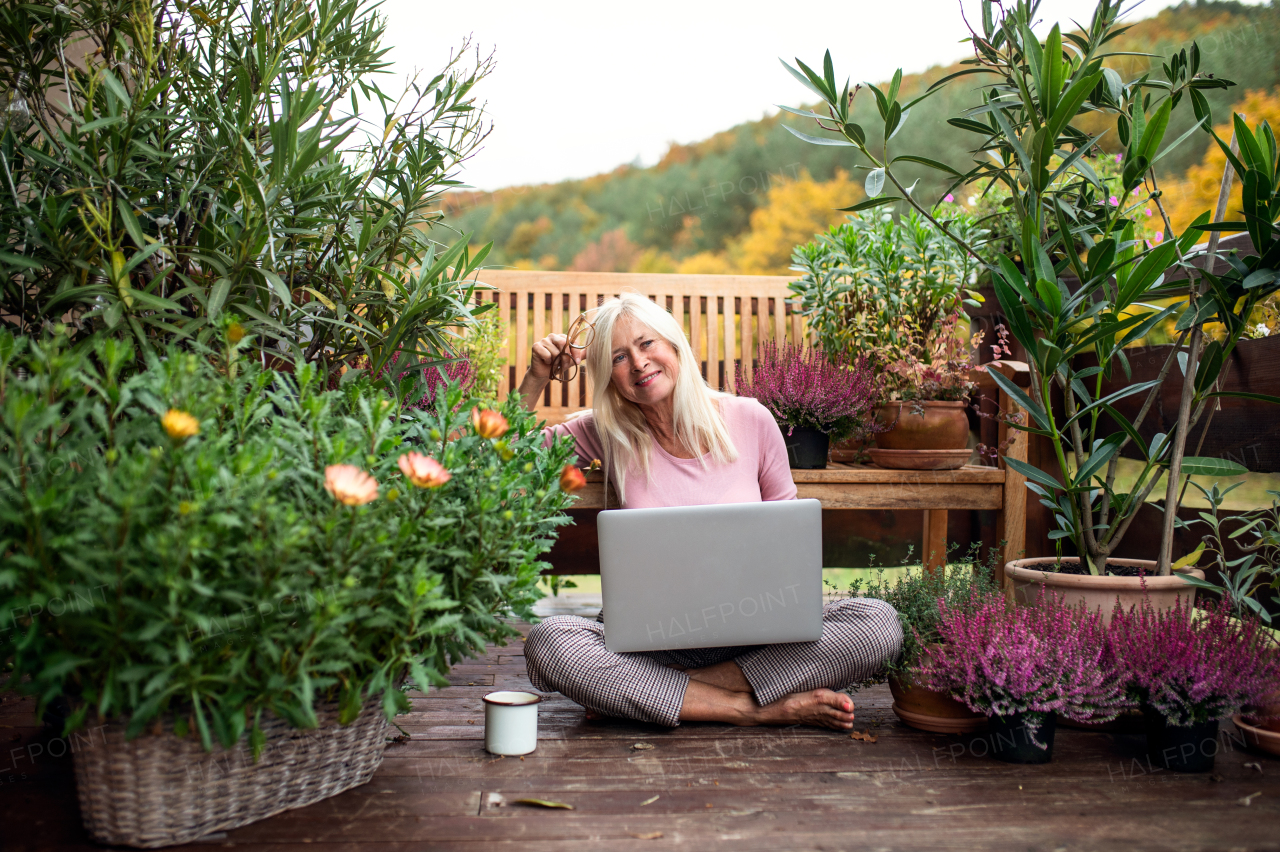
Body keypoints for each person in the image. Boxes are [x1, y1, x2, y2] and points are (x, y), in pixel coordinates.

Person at [518, 293, 901, 730]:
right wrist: (535, 378)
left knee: (878, 624)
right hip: (651, 642)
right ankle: (753, 709)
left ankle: (662, 692)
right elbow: (504, 466)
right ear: (609, 377)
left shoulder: (751, 419)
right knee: (550, 641)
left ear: (674, 345)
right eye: (619, 357)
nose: (639, 363)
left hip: (756, 636)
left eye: (646, 344)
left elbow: (787, 540)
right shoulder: (607, 431)